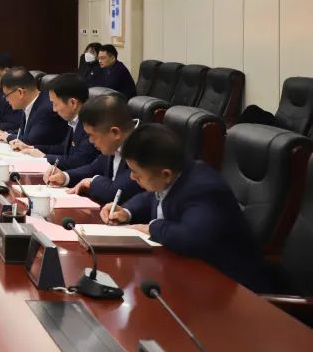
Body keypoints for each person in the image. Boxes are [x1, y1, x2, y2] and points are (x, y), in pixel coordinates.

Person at [101, 124, 271, 292]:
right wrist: (127, 212)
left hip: (231, 288)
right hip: (186, 271)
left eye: (137, 173)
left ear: (165, 174)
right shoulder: (177, 173)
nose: (132, 177)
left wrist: (151, 227)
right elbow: (152, 196)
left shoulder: (204, 189)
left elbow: (190, 238)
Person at [43, 93, 143, 205]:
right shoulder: (115, 142)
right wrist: (65, 176)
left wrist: (92, 182)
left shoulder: (142, 148)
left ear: (115, 132)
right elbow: (94, 168)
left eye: (92, 135)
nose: (90, 140)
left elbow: (114, 192)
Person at [10, 73, 97, 171]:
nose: (54, 109)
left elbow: (78, 161)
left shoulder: (91, 125)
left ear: (73, 103)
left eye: (55, 104)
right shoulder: (74, 120)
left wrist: (44, 157)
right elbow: (62, 149)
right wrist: (31, 148)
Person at [0, 68, 68, 146]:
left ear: (20, 92)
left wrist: (7, 137)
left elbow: (31, 141)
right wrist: (5, 133)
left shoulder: (46, 109)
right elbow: (25, 133)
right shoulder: (30, 103)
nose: (6, 100)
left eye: (6, 95)